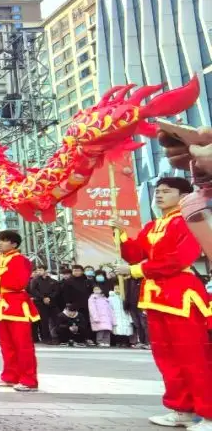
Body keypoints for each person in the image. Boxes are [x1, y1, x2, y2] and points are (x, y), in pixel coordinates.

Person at [110, 176, 212, 428]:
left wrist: (135, 271)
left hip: (181, 297)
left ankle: (209, 413)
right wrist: (121, 234)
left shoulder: (189, 221)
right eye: (157, 191)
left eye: (166, 191)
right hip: (155, 297)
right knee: (166, 357)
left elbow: (179, 260)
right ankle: (182, 409)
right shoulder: (152, 226)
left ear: (183, 195)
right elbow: (135, 253)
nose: (158, 195)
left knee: (194, 357)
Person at [0, 230, 39, 392]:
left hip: (17, 304)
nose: (0, 243)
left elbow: (19, 282)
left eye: (5, 241)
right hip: (1, 304)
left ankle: (29, 379)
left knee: (23, 345)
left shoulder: (21, 260)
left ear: (14, 244)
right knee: (7, 345)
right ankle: (10, 376)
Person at [61, 264, 94, 345]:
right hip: (74, 305)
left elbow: (91, 292)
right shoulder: (68, 281)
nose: (76, 272)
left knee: (86, 322)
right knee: (74, 322)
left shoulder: (86, 280)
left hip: (86, 304)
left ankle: (86, 338)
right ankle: (75, 339)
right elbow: (65, 294)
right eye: (74, 270)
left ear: (82, 272)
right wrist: (68, 304)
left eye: (78, 270)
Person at [27, 266, 59, 344]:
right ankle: (46, 338)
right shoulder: (34, 281)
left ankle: (56, 337)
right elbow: (33, 290)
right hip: (39, 303)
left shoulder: (53, 281)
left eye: (40, 270)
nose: (39, 272)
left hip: (51, 302)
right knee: (43, 321)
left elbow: (56, 291)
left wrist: (49, 298)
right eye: (37, 270)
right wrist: (43, 298)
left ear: (45, 271)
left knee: (56, 320)